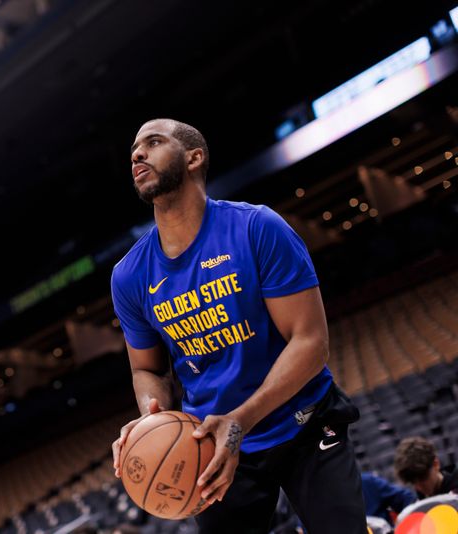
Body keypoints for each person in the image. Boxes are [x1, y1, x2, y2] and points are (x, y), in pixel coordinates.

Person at [110, 118, 366, 533]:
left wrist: (241, 420)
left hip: (304, 423)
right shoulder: (129, 276)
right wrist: (151, 419)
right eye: (134, 150)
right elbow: (148, 369)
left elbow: (310, 343)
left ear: (195, 158)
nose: (137, 154)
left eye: (153, 143)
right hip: (212, 445)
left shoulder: (256, 228)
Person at [394, 436, 458, 498]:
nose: (419, 487)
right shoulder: (420, 500)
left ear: (436, 464)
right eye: (413, 482)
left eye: (423, 478)